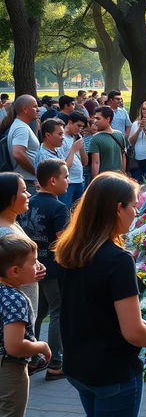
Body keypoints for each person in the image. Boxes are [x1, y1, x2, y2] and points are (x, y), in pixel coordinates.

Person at [55, 172, 146, 415]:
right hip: (112, 371)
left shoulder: (70, 250)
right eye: (134, 206)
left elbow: (100, 310)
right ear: (118, 208)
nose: (136, 213)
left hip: (79, 366)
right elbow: (133, 331)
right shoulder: (117, 260)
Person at [19, 159, 70, 382]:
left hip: (32, 267)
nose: (68, 180)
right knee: (59, 311)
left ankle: (31, 358)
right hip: (53, 268)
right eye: (65, 176)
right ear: (52, 180)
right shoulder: (58, 207)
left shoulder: (30, 202)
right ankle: (56, 364)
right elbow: (63, 242)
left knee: (38, 312)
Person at [0, 234, 51, 416]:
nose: (38, 266)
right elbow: (15, 346)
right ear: (14, 270)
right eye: (34, 262)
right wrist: (42, 346)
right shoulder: (15, 298)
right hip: (9, 369)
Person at [0, 174, 47, 349]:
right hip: (11, 316)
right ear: (8, 197)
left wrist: (35, 265)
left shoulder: (13, 223)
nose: (29, 195)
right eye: (24, 191)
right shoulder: (3, 232)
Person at [3, 96, 40, 195]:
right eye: (35, 106)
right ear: (25, 109)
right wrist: (36, 172)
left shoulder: (21, 126)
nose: (38, 109)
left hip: (27, 180)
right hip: (26, 182)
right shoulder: (21, 128)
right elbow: (18, 153)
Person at [88, 107, 126, 177]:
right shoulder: (120, 134)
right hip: (118, 177)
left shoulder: (96, 138)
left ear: (108, 119)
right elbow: (123, 157)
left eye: (98, 118)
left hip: (104, 179)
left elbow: (96, 163)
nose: (95, 121)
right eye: (95, 118)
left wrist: (95, 181)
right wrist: (123, 175)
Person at [60, 112, 89, 207]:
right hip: (69, 182)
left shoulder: (76, 137)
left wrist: (81, 147)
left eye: (82, 127)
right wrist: (73, 149)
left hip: (79, 181)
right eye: (78, 125)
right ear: (70, 122)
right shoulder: (61, 138)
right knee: (66, 211)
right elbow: (64, 166)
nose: (80, 129)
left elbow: (85, 162)